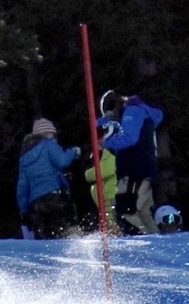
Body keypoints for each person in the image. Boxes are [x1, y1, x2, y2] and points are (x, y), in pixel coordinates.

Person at [97, 89, 164, 234]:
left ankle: (147, 242)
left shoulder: (132, 112)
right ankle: (157, 241)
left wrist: (105, 142)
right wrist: (105, 120)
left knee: (126, 208)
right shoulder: (135, 113)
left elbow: (129, 138)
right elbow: (104, 128)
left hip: (135, 169)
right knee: (143, 212)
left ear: (115, 107)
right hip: (141, 169)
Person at [16, 118, 81, 239]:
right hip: (54, 197)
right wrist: (73, 152)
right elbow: (63, 161)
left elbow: (22, 189)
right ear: (47, 133)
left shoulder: (23, 158)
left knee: (46, 239)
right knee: (69, 233)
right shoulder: (48, 144)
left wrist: (24, 212)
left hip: (35, 204)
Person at [84, 136, 119, 233]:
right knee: (108, 223)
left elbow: (104, 171)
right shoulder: (97, 157)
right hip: (103, 198)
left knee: (111, 222)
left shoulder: (109, 155)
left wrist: (87, 174)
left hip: (109, 196)